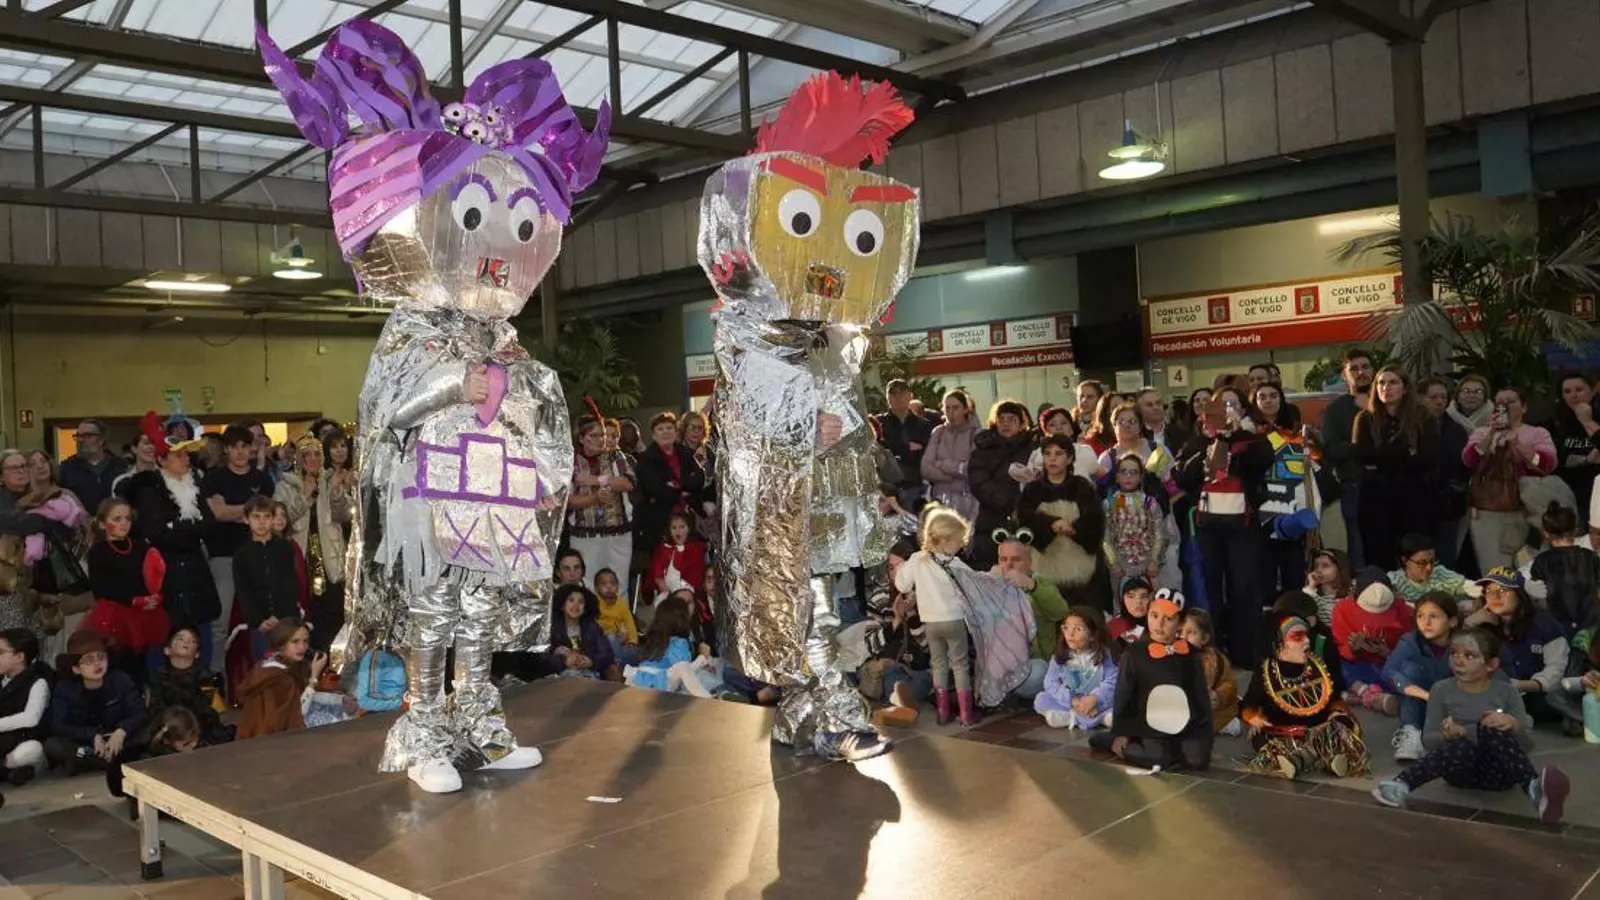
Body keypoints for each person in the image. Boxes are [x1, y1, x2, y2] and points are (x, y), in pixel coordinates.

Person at [1372, 627, 1571, 824]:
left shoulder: (1507, 692)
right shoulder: (1441, 690)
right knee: (1461, 746)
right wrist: (1445, 735)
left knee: (1492, 728)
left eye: (1469, 656)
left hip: (1499, 773)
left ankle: (1534, 789)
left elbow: (1527, 745)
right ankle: (1401, 785)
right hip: (1460, 771)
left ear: (1491, 664)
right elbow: (1429, 739)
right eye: (1454, 653)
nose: (1458, 661)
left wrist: (1513, 724)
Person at [1173, 386, 1273, 666]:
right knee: (1209, 589)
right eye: (1221, 406)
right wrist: (1209, 450)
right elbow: (1180, 477)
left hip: (1244, 527)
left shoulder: (1252, 440)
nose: (1226, 411)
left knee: (1245, 587)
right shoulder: (1197, 442)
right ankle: (1212, 652)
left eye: (1232, 405)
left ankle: (1244, 652)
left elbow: (1264, 461)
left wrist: (1235, 438)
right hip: (1207, 528)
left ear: (1242, 410)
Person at [116, 420, 220, 670]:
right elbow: (158, 533)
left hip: (195, 571)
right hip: (165, 572)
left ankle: (200, 680)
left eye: (187, 455)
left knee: (201, 629)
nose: (186, 459)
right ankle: (160, 684)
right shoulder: (149, 489)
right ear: (162, 460)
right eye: (179, 455)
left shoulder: (195, 485)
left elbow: (209, 523)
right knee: (163, 631)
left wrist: (180, 528)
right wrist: (190, 530)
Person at [1089, 595, 1212, 770]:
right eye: (1154, 616)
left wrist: (1204, 733)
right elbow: (1124, 695)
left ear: (1180, 624)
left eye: (1168, 619)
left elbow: (1200, 698)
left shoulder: (1191, 654)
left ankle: (1174, 752)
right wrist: (1123, 733)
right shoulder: (1135, 653)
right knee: (1157, 758)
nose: (1159, 624)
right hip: (1148, 723)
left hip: (1184, 723)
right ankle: (1111, 740)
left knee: (1197, 760)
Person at [1241, 613, 1369, 780]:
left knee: (1342, 725)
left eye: (1306, 635)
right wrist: (1253, 717)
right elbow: (1248, 704)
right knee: (1262, 738)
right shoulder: (1265, 674)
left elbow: (1334, 698)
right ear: (1278, 644)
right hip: (1283, 733)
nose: (1307, 641)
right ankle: (1316, 758)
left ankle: (1307, 758)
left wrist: (1336, 712)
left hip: (1318, 730)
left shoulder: (1318, 667)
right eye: (1297, 636)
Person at [200, 424, 275, 670]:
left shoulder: (261, 478)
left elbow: (265, 515)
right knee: (219, 623)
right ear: (226, 450)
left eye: (245, 446)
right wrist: (249, 509)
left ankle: (263, 675)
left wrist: (238, 512)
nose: (241, 452)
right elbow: (219, 513)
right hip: (223, 555)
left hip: (257, 556)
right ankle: (215, 677)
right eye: (235, 447)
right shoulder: (214, 478)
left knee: (262, 620)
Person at [894, 506, 977, 726]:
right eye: (958, 541)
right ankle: (966, 714)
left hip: (931, 622)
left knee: (938, 664)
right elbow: (974, 586)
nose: (960, 547)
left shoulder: (917, 559)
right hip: (955, 620)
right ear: (944, 540)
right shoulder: (956, 564)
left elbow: (902, 585)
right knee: (959, 665)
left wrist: (901, 568)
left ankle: (942, 713)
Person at [1352, 366, 1438, 571]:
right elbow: (1360, 456)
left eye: (1393, 382)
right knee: (1378, 557)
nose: (1386, 387)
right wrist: (1406, 454)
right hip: (1375, 500)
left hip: (1414, 498)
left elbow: (1428, 459)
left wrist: (1382, 459)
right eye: (1381, 383)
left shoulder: (1423, 417)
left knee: (1415, 555)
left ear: (1405, 388)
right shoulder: (1365, 418)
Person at [1463, 386, 1557, 571]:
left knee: (1532, 569)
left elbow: (1546, 464)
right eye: (1499, 403)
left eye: (1511, 402)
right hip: (1489, 510)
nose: (1504, 406)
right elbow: (1469, 460)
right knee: (1494, 570)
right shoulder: (1482, 432)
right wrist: (1491, 433)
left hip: (1527, 510)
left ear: (1524, 407)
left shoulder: (1538, 433)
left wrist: (1519, 445)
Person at [1017, 435, 1111, 609]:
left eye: (1058, 453)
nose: (1052, 458)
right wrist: (1050, 524)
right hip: (1045, 569)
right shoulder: (1033, 490)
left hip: (1082, 571)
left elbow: (1096, 521)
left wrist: (1074, 529)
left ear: (1069, 459)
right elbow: (1024, 522)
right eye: (1047, 453)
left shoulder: (1082, 487)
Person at [1465, 567, 1569, 724]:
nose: (1495, 596)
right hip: (1495, 696)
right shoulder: (1480, 625)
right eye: (1489, 591)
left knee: (1553, 699)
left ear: (1520, 595)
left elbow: (1556, 669)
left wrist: (1522, 685)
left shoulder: (1546, 625)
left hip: (1536, 695)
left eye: (1503, 590)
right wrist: (1469, 624)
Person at [45, 629, 146, 789]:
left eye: (101, 657)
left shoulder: (120, 680)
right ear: (76, 668)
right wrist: (92, 735)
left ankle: (93, 762)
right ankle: (107, 761)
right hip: (86, 744)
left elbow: (139, 713)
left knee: (147, 733)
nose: (97, 664)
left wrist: (122, 731)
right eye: (89, 660)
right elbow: (58, 725)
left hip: (119, 740)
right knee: (53, 745)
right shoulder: (64, 689)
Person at [274, 435, 347, 653]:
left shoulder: (330, 480)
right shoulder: (286, 485)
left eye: (317, 454)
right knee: (304, 613)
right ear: (299, 458)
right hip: (300, 558)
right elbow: (280, 521)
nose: (313, 459)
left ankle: (331, 661)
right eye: (307, 455)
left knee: (333, 611)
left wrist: (336, 493)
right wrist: (304, 497)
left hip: (330, 557)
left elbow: (344, 516)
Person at [83, 497, 168, 678]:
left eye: (127, 518)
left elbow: (154, 576)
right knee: (118, 663)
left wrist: (155, 596)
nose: (123, 523)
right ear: (102, 523)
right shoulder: (98, 552)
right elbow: (101, 589)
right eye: (117, 519)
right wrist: (134, 600)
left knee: (142, 665)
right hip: (114, 615)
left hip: (143, 614)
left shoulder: (140, 546)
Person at [1252, 380, 1314, 597]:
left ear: (1281, 400)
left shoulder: (1296, 431)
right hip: (1261, 508)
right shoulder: (1247, 431)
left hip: (1292, 506)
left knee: (1293, 569)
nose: (1268, 401)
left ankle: (1295, 612)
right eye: (1262, 397)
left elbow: (1314, 464)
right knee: (1264, 573)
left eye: (1273, 396)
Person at [1383, 593, 1459, 761]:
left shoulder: (1463, 643)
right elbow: (1388, 672)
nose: (1426, 622)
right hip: (1420, 704)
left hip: (1452, 705)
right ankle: (1411, 733)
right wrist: (1426, 695)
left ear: (1452, 621)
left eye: (1434, 616)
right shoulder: (1410, 641)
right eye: (1420, 616)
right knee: (1408, 669)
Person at [994, 535, 1069, 700]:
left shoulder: (1040, 582)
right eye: (1003, 559)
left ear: (1029, 561)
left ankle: (1010, 693)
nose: (1009, 565)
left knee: (1039, 673)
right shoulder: (991, 584)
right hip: (1001, 663)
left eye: (1016, 560)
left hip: (1034, 662)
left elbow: (1061, 612)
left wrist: (1031, 586)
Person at [567, 415, 637, 591]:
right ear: (581, 438)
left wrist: (595, 480)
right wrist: (596, 498)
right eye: (594, 435)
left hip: (619, 532)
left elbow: (628, 483)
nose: (601, 440)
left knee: (619, 585)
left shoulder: (615, 455)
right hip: (585, 535)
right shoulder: (571, 461)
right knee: (588, 585)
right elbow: (568, 501)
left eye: (603, 435)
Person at [1319, 349, 1375, 567]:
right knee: (1357, 548)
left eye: (1365, 367)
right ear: (1344, 375)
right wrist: (1361, 449)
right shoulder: (1336, 409)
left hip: (1391, 484)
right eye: (1354, 369)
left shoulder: (1390, 402)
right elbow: (1331, 450)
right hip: (1354, 486)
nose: (1361, 372)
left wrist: (1371, 409)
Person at [966, 400, 1037, 569]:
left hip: (1025, 517)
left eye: (1011, 419)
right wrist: (1006, 503)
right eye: (1001, 419)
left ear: (1021, 423)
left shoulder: (1033, 449)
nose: (1006, 424)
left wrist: (1020, 504)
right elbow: (978, 482)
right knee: (989, 567)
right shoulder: (983, 450)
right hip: (991, 517)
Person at [233, 495, 304, 661]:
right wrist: (258, 621)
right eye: (256, 517)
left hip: (286, 621)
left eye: (266, 516)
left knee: (291, 665)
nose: (262, 522)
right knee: (265, 666)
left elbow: (290, 585)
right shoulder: (242, 554)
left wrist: (279, 616)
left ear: (272, 519)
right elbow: (244, 592)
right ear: (246, 519)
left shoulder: (285, 547)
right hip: (260, 626)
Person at [1331, 567, 1410, 714]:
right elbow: (1339, 649)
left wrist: (1389, 654)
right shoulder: (1342, 610)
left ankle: (1364, 694)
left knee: (1409, 672)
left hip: (1387, 666)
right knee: (1337, 666)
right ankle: (1370, 694)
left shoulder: (1404, 610)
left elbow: (1410, 651)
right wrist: (1352, 649)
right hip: (1359, 665)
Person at [634, 413, 705, 564]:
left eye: (669, 428)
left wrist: (675, 485)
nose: (665, 432)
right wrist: (682, 492)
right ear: (653, 435)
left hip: (688, 519)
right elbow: (654, 488)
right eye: (660, 429)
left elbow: (699, 478)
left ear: (676, 432)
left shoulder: (686, 453)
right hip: (659, 522)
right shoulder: (646, 459)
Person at [1034, 607, 1117, 729]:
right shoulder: (1059, 656)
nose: (1070, 634)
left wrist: (1094, 698)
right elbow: (1050, 683)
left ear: (1092, 635)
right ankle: (1094, 718)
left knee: (1120, 699)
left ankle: (1073, 717)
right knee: (1041, 699)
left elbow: (1112, 681)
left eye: (1077, 629)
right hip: (1072, 701)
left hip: (1096, 702)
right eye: (1066, 628)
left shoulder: (1104, 655)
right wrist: (1072, 700)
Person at [146, 625, 230, 746]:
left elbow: (204, 706)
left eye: (192, 641)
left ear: (197, 654)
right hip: (167, 724)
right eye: (180, 639)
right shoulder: (158, 675)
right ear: (167, 650)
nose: (186, 642)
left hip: (199, 725)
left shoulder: (205, 675)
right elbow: (156, 705)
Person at [236, 617, 320, 739]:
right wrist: (313, 679)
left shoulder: (293, 665)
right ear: (281, 644)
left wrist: (338, 699)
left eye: (305, 641)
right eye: (295, 642)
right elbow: (297, 713)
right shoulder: (277, 676)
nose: (302, 647)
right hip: (271, 739)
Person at [1421, 377, 1472, 568]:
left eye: (1443, 397)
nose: (1439, 401)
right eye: (1433, 397)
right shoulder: (1410, 427)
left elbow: (1464, 467)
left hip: (1448, 504)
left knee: (1445, 557)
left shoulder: (1456, 430)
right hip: (1416, 503)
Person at [625, 595, 716, 698]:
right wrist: (702, 657)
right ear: (682, 621)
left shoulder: (654, 639)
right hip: (659, 683)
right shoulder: (679, 643)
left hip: (639, 680)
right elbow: (685, 671)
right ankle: (709, 700)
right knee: (683, 667)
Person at [1103, 453, 1164, 591]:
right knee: (1121, 599)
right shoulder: (1109, 504)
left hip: (1148, 566)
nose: (1128, 476)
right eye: (1124, 472)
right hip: (1120, 566)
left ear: (1141, 477)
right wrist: (1113, 563)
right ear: (1117, 477)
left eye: (1134, 472)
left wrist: (1155, 560)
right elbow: (1105, 537)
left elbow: (1160, 534)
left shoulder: (1150, 503)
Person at [0, 628, 49, 785]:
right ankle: (12, 773)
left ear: (19, 657)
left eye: (1, 652)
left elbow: (30, 718)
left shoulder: (38, 682)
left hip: (22, 739)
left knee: (30, 750)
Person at [921, 389, 979, 521]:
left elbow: (973, 468)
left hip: (967, 500)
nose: (951, 412)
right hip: (940, 500)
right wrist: (954, 474)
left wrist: (943, 465)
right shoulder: (938, 432)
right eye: (947, 408)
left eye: (956, 408)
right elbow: (925, 468)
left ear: (965, 409)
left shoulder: (976, 433)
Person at [875, 380, 934, 510]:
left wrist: (893, 448)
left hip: (914, 486)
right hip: (885, 489)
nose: (897, 397)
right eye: (893, 393)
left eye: (901, 392)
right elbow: (879, 451)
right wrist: (908, 448)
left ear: (910, 396)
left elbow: (925, 455)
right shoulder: (878, 423)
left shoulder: (923, 425)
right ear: (887, 397)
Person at [1180, 608, 1240, 736]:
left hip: (1209, 709)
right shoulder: (1170, 654)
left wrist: (1218, 696)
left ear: (1204, 638)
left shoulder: (1216, 659)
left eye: (1190, 633)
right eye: (1179, 632)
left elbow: (1230, 685)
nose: (1183, 637)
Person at [1552, 372, 1600, 528]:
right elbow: (1558, 460)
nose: (1574, 396)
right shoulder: (1557, 424)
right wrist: (1586, 459)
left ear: (1592, 391)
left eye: (1579, 389)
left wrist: (1587, 422)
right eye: (1567, 391)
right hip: (1569, 496)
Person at [549, 584, 620, 681]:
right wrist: (564, 661)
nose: (576, 605)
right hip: (561, 678)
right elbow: (542, 660)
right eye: (571, 600)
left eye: (581, 602)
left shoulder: (593, 627)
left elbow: (607, 654)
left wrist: (591, 661)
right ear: (562, 605)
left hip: (590, 675)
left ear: (586, 608)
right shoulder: (552, 628)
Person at [58, 419, 128, 516]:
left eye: (88, 436)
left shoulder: (120, 467)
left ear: (101, 440)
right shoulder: (66, 469)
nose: (81, 440)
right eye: (78, 436)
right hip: (79, 523)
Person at [1387, 533, 1473, 608]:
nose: (1429, 567)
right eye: (1422, 563)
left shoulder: (1440, 573)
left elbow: (1471, 587)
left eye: (1432, 561)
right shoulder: (1394, 581)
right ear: (1405, 561)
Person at [593, 568, 639, 668]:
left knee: (634, 651)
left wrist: (632, 641)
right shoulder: (595, 604)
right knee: (611, 638)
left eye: (612, 583)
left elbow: (629, 623)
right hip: (603, 640)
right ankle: (616, 664)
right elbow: (593, 625)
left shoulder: (622, 604)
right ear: (596, 589)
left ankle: (622, 666)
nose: (609, 587)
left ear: (617, 587)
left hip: (620, 638)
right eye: (604, 584)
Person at [1303, 548, 1353, 627]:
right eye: (1316, 566)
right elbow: (1303, 607)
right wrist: (1311, 587)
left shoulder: (1353, 590)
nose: (1318, 570)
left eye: (1325, 565)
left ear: (1340, 569)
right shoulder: (1312, 593)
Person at [1136, 388, 1188, 453]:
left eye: (1158, 403)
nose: (1155, 407)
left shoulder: (1181, 433)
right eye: (1149, 405)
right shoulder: (1135, 435)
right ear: (1140, 409)